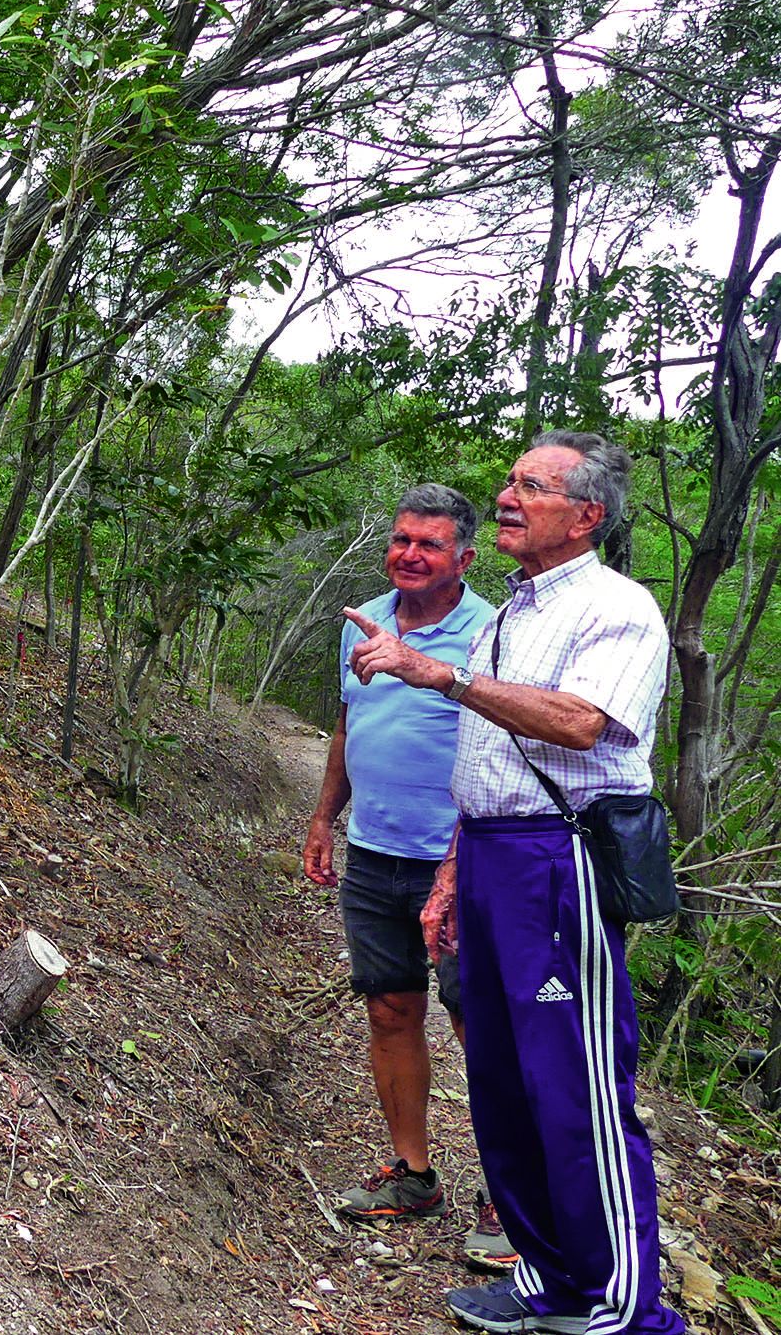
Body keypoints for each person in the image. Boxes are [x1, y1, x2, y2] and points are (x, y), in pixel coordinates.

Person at [345, 431, 684, 1335]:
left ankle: (621, 1305)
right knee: (498, 1080)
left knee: (570, 1083)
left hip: (558, 862)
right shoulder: (514, 611)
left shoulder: (617, 608)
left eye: (528, 485)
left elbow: (581, 723)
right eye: (508, 479)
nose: (506, 494)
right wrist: (454, 870)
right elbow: (490, 752)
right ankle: (548, 1277)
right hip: (492, 853)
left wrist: (437, 671)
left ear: (585, 514)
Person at [303, 484, 513, 1270]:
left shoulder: (489, 632)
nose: (410, 555)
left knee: (478, 1024)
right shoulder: (363, 615)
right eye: (400, 540)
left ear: (463, 555)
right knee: (390, 1008)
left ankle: (508, 1191)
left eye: (429, 544)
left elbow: (503, 749)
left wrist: (459, 862)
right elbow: (350, 721)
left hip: (456, 860)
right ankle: (412, 1173)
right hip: (374, 850)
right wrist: (325, 816)